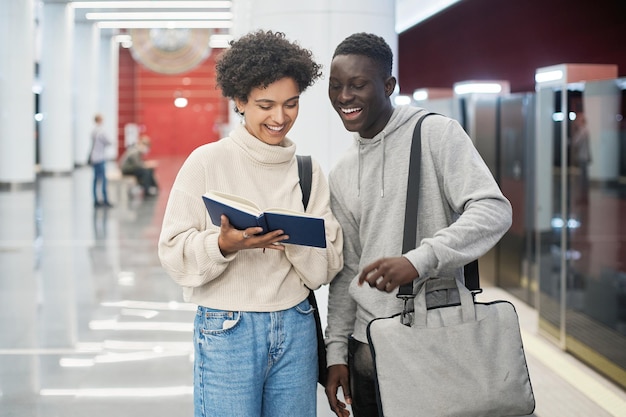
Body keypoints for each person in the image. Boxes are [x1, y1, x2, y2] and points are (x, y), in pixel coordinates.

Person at [324, 32, 513, 417]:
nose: (344, 96)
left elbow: (493, 209)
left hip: (436, 336)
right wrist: (336, 352)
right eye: (336, 86)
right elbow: (347, 270)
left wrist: (419, 259)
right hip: (367, 348)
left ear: (389, 85)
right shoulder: (342, 171)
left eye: (358, 85)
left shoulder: (435, 134)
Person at [158, 30, 343, 417]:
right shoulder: (206, 162)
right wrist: (223, 245)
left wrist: (288, 237)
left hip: (297, 324)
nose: (280, 118)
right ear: (240, 101)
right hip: (228, 330)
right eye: (265, 105)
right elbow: (173, 253)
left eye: (291, 104)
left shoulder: (308, 172)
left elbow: (325, 268)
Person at [89, 113, 113, 208]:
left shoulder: (93, 131)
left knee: (95, 179)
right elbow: (109, 142)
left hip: (94, 157)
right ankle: (105, 199)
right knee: (103, 179)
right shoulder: (101, 131)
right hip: (100, 158)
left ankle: (95, 200)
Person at [571, 112, 591, 203]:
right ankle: (584, 197)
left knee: (582, 179)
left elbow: (575, 142)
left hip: (583, 157)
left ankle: (583, 198)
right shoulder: (584, 130)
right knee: (583, 178)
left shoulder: (582, 131)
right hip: (584, 156)